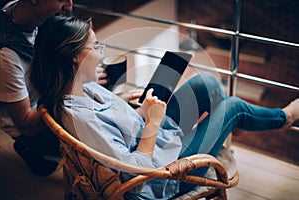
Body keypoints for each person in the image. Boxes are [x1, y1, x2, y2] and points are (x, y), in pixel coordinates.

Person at [29, 16, 299, 199]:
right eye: (95, 47)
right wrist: (153, 123)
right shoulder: (81, 119)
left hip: (157, 140)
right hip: (164, 176)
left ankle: (236, 125)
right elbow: (135, 172)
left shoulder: (83, 89)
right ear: (75, 57)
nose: (101, 52)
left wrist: (144, 112)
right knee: (233, 107)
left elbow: (119, 130)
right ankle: (282, 118)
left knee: (205, 82)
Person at [0, 0, 73, 176]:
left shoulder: (30, 13)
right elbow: (26, 125)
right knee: (86, 139)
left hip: (45, 90)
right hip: (28, 122)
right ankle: (30, 147)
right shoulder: (5, 56)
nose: (69, 5)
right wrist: (69, 85)